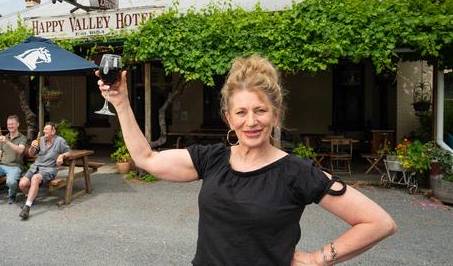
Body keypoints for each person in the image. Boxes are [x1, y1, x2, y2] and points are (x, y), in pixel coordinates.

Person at [98, 55, 397, 265]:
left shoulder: (296, 172)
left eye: (260, 111)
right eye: (241, 112)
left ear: (275, 116)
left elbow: (378, 222)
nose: (251, 121)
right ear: (229, 118)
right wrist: (121, 103)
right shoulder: (212, 159)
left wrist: (320, 259)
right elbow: (145, 157)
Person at [18, 122, 70, 220]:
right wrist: (32, 147)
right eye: (44, 129)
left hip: (49, 169)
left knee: (35, 178)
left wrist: (61, 155)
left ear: (53, 131)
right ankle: (32, 197)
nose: (43, 131)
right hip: (35, 167)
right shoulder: (40, 140)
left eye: (46, 129)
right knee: (22, 184)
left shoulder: (60, 141)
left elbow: (69, 152)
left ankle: (27, 207)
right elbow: (31, 154)